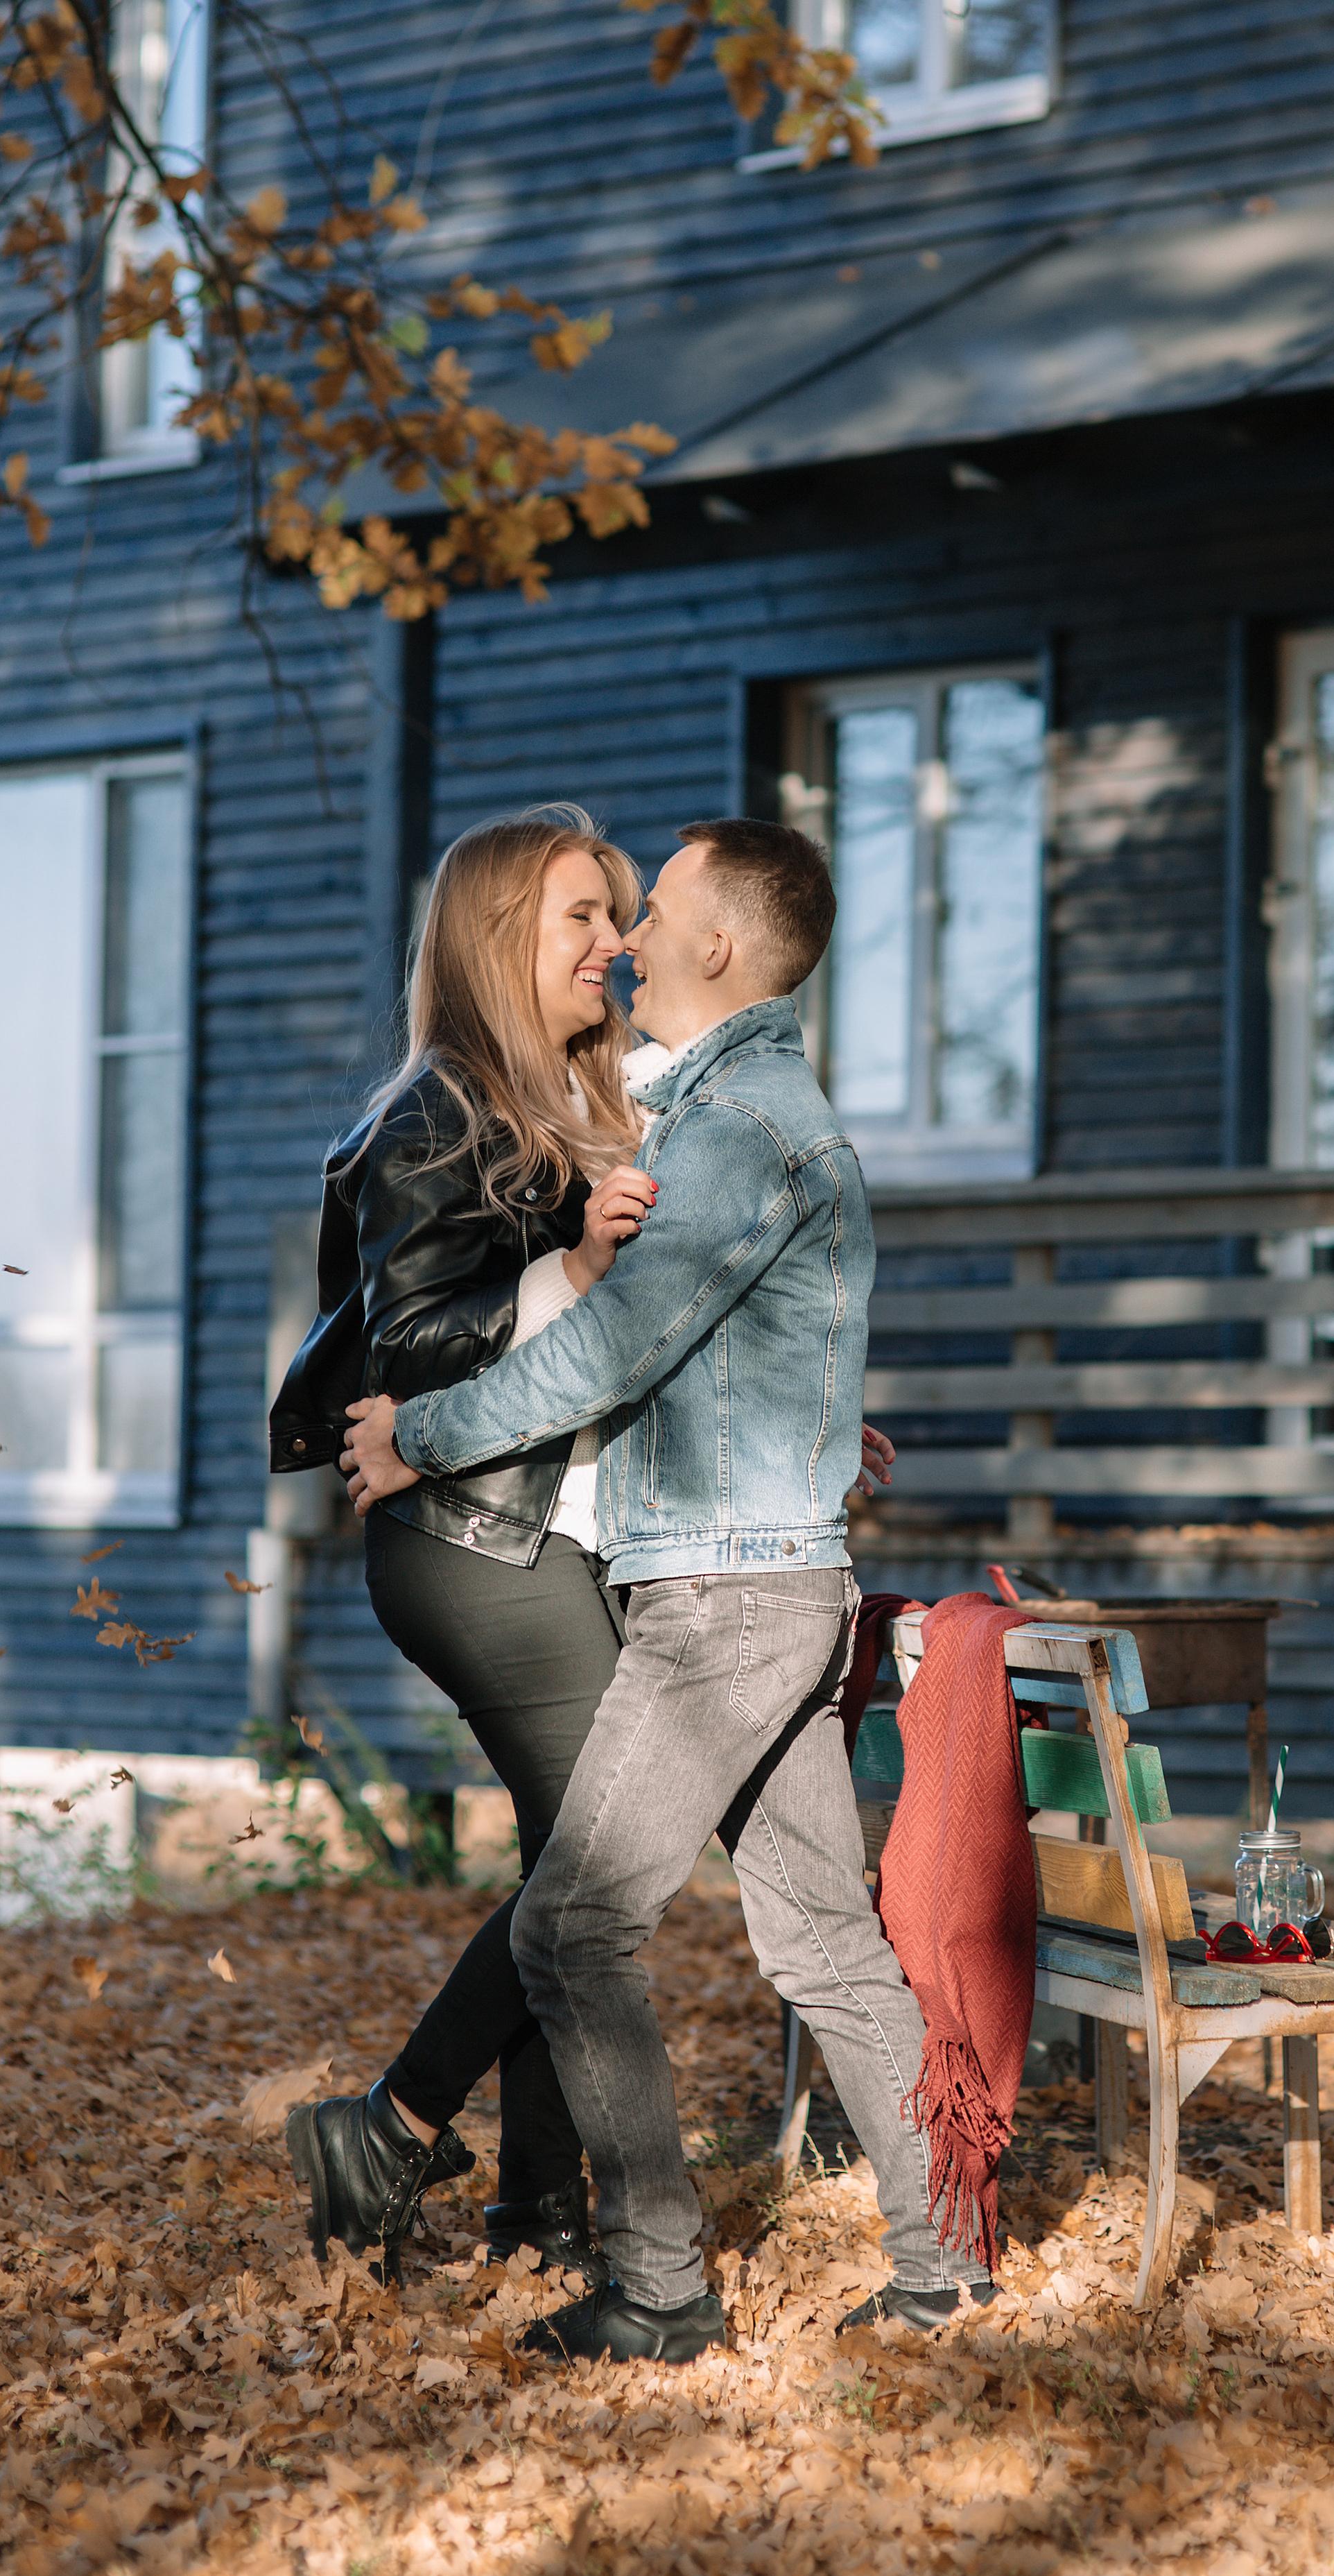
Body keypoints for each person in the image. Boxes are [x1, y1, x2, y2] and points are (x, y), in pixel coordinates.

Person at [344, 816, 994, 2365]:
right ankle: (945, 2263)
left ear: (715, 947)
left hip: (721, 1604)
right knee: (823, 1937)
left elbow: (615, 1347)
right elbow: (731, 1333)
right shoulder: (741, 1110)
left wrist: (414, 1434)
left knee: (573, 1929)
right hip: (766, 1579)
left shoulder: (735, 1128)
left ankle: (657, 2289)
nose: (630, 940)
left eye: (658, 914)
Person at [267, 805, 664, 2283]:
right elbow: (415, 1342)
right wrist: (575, 1259)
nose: (614, 944)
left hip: (542, 1529)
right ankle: (392, 2126)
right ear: (501, 938)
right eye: (581, 916)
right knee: (606, 1860)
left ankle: (537, 2214)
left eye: (619, 915)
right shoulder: (439, 1107)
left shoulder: (566, 1098)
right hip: (463, 1535)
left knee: (577, 1862)